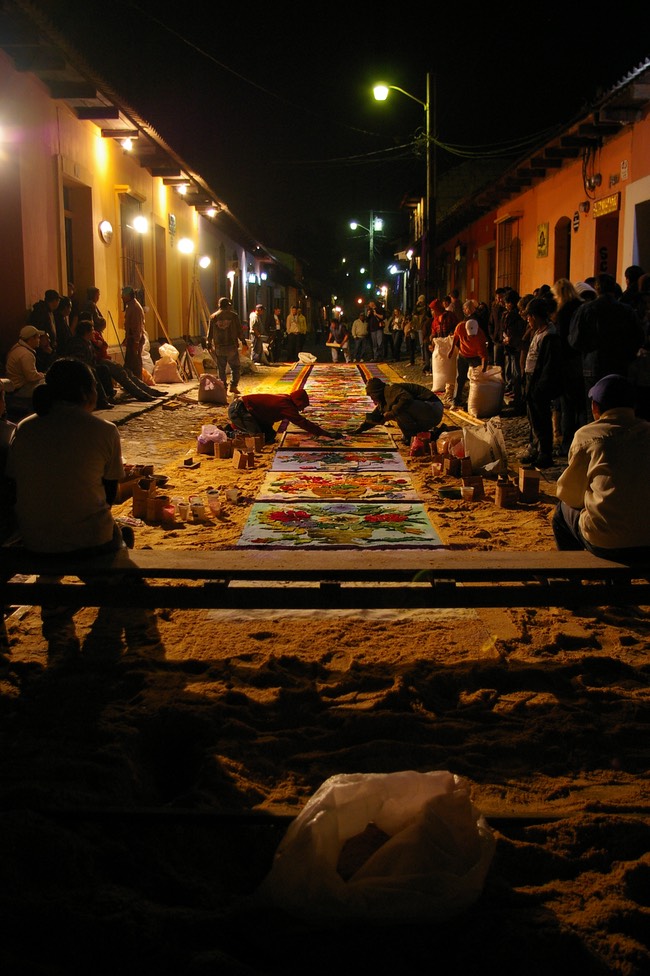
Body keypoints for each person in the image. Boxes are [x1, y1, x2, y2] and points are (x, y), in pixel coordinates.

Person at [5, 359, 135, 661]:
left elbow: (14, 487)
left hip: (36, 541)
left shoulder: (24, 428)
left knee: (66, 543)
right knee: (118, 540)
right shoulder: (104, 430)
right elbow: (112, 496)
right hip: (90, 542)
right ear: (85, 391)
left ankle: (54, 603)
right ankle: (99, 592)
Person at [552, 373, 650, 560]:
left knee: (561, 514)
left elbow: (569, 494)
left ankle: (569, 578)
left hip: (607, 542)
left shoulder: (588, 436)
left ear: (595, 408)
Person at [568, 272, 644, 420]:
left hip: (593, 366)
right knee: (619, 407)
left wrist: (590, 348)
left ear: (596, 288)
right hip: (619, 365)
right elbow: (638, 337)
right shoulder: (626, 310)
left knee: (595, 408)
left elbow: (575, 340)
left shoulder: (586, 310)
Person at [519, 296, 563, 468]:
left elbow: (549, 365)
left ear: (535, 316)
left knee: (541, 418)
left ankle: (545, 454)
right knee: (533, 417)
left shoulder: (550, 336)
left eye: (529, 317)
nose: (528, 320)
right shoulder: (538, 332)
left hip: (539, 382)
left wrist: (539, 387)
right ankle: (536, 449)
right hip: (532, 379)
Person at [90, 316, 166, 401]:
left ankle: (149, 391)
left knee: (127, 372)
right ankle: (142, 395)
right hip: (100, 361)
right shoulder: (86, 339)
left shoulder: (94, 335)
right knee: (121, 373)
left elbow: (104, 345)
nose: (93, 330)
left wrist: (99, 343)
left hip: (104, 359)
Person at [228, 389, 344, 444]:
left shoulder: (286, 399)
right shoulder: (286, 405)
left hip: (243, 411)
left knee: (269, 436)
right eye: (302, 406)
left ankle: (234, 427)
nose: (302, 410)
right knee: (257, 439)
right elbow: (302, 422)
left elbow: (266, 414)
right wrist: (326, 433)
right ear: (298, 402)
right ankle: (230, 433)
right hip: (238, 410)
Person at [353, 377, 444, 445]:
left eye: (372, 395)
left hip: (433, 408)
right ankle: (419, 435)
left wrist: (391, 413)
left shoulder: (391, 389)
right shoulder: (384, 400)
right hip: (426, 412)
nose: (372, 398)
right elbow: (375, 416)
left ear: (377, 391)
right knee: (394, 409)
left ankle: (412, 435)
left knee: (397, 408)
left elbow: (407, 398)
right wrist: (360, 429)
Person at [66, 318, 115, 409]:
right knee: (93, 372)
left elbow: (93, 357)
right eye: (92, 330)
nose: (94, 332)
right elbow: (78, 360)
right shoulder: (77, 343)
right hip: (79, 368)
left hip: (89, 365)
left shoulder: (88, 342)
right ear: (86, 332)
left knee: (103, 368)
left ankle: (109, 395)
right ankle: (102, 401)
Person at [207, 297, 247, 395]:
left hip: (219, 347)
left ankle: (223, 387)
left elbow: (210, 333)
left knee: (221, 368)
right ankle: (233, 386)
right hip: (231, 346)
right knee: (235, 367)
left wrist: (208, 343)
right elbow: (239, 330)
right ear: (228, 305)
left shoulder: (213, 317)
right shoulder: (233, 316)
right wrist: (243, 341)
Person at [4, 325, 46, 417]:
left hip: (14, 386)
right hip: (20, 389)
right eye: (38, 337)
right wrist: (43, 375)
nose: (39, 340)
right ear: (31, 339)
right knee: (46, 386)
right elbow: (31, 377)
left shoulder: (16, 348)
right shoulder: (26, 354)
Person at [448, 314, 488, 409]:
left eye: (474, 335)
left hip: (475, 357)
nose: (472, 338)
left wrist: (483, 368)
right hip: (462, 355)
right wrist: (451, 350)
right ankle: (456, 400)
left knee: (475, 379)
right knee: (460, 378)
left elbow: (484, 357)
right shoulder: (460, 327)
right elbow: (456, 337)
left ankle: (474, 399)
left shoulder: (481, 337)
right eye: (470, 335)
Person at [122, 286, 146, 378]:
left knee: (135, 363)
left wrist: (136, 341)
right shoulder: (130, 306)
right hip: (131, 338)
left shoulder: (135, 307)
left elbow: (137, 326)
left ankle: (138, 381)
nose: (121, 297)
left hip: (135, 339)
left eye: (123, 295)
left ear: (128, 295)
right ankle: (132, 382)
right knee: (130, 362)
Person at [28, 288, 60, 357]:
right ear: (54, 301)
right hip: (43, 348)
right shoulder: (42, 312)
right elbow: (40, 329)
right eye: (58, 301)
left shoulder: (48, 311)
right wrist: (46, 345)